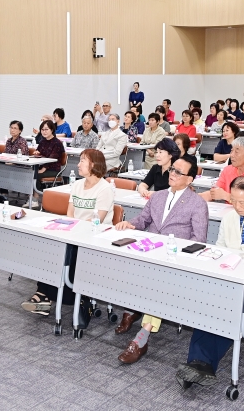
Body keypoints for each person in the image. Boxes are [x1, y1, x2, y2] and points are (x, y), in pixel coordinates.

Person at [176, 176, 244, 388]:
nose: (236, 206)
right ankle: (199, 364)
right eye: (233, 201)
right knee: (208, 304)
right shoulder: (229, 218)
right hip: (228, 276)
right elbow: (220, 249)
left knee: (226, 308)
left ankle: (201, 363)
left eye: (242, 202)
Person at [113, 157, 208, 364]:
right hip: (150, 251)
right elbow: (143, 220)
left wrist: (177, 255)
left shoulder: (198, 203)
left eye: (178, 172)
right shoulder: (158, 196)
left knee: (158, 285)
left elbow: (199, 240)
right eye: (172, 169)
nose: (172, 173)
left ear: (190, 179)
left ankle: (141, 338)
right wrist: (129, 224)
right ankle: (132, 308)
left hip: (174, 260)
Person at [21, 149, 111, 322]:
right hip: (75, 232)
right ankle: (44, 294)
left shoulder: (104, 189)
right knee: (49, 247)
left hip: (93, 238)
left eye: (83, 160)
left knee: (68, 253)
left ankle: (51, 296)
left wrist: (75, 230)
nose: (78, 164)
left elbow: (97, 220)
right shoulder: (77, 185)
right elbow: (70, 213)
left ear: (94, 164)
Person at [202, 136, 244, 201]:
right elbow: (214, 193)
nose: (232, 155)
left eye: (236, 152)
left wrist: (226, 196)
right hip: (229, 210)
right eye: (231, 151)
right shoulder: (227, 170)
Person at [33, 120, 65, 192]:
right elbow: (38, 152)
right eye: (42, 130)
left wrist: (43, 169)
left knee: (35, 175)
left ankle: (35, 197)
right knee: (29, 173)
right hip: (42, 167)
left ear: (52, 130)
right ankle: (31, 196)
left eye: (46, 129)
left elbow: (52, 159)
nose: (44, 132)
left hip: (53, 169)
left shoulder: (57, 143)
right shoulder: (43, 141)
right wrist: (36, 153)